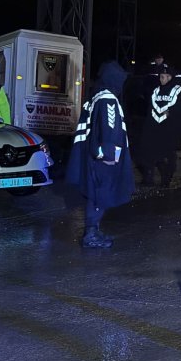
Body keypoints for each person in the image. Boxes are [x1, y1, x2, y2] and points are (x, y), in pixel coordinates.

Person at [67, 61, 136, 248]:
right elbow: (109, 128)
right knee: (101, 195)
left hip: (93, 156)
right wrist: (109, 156)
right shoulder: (108, 100)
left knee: (97, 194)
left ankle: (94, 230)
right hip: (104, 158)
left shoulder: (95, 97)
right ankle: (91, 234)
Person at [137, 65, 181, 187]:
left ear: (171, 77)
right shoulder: (155, 91)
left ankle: (166, 179)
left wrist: (171, 113)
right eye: (161, 76)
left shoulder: (179, 90)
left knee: (167, 155)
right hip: (154, 128)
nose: (163, 79)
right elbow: (150, 109)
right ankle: (148, 178)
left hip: (170, 128)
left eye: (166, 77)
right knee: (148, 153)